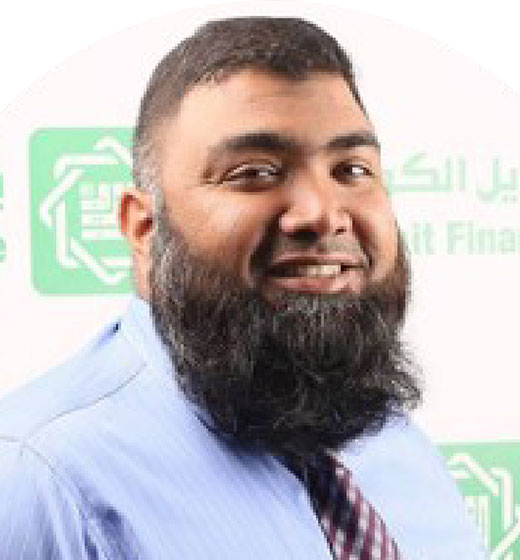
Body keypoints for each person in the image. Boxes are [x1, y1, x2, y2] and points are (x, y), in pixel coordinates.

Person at [0, 16, 487, 560]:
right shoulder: (40, 482)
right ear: (143, 228)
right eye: (255, 172)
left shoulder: (395, 445)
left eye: (351, 170)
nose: (322, 213)